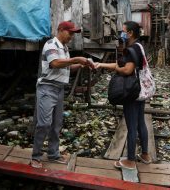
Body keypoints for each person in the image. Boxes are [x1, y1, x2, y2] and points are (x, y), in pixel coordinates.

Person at [31, 21, 94, 168]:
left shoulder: (64, 48)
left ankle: (53, 154)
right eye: (70, 33)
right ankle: (35, 156)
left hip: (59, 89)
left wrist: (80, 65)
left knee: (56, 124)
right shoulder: (51, 44)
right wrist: (77, 58)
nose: (71, 36)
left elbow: (65, 67)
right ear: (60, 30)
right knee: (44, 123)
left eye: (73, 33)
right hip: (47, 88)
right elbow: (55, 63)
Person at [95, 21, 152, 170]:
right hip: (140, 90)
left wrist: (117, 70)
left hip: (131, 91)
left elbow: (126, 70)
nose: (122, 33)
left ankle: (131, 160)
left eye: (123, 31)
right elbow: (119, 65)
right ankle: (145, 155)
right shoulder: (139, 46)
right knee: (141, 123)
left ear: (130, 33)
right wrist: (101, 65)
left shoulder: (131, 49)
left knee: (131, 126)